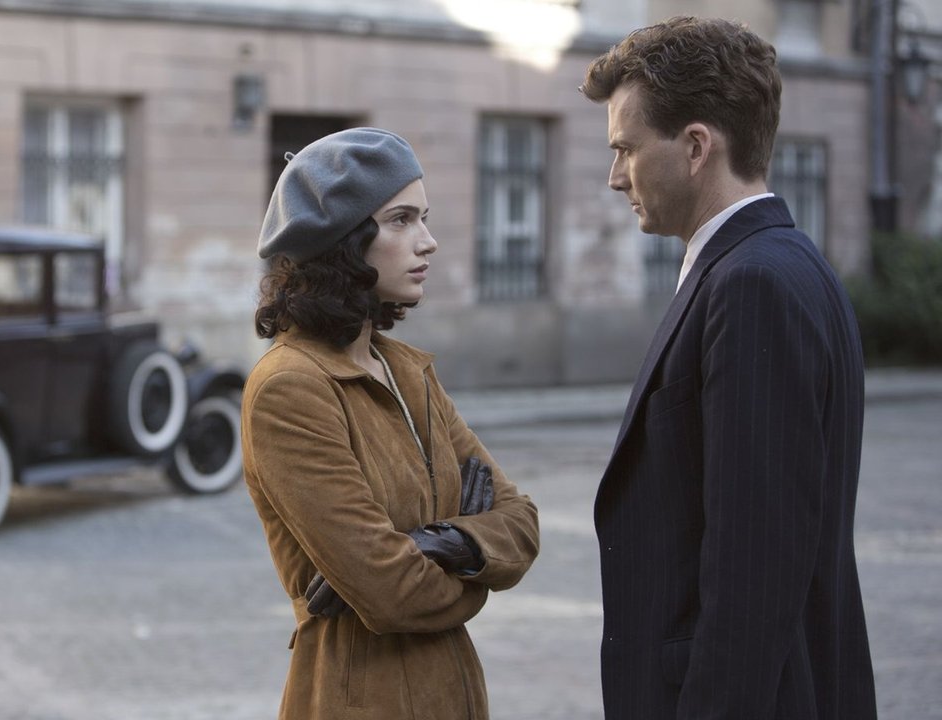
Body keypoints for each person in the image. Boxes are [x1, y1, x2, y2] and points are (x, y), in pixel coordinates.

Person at [580, 16, 877, 720]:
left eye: (626, 149)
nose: (615, 176)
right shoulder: (777, 262)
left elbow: (754, 569)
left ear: (695, 147)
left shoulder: (753, 284)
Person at [240, 127, 541, 719]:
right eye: (401, 220)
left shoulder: (407, 371)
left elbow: (521, 522)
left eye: (424, 218)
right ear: (343, 243)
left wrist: (440, 542)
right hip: (360, 698)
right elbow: (392, 595)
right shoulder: (290, 387)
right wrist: (476, 567)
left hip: (453, 693)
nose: (428, 241)